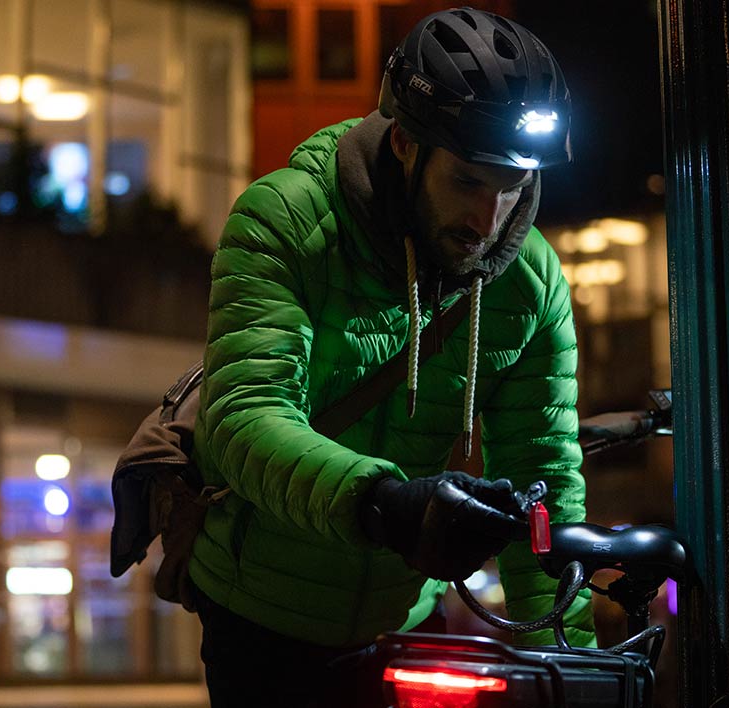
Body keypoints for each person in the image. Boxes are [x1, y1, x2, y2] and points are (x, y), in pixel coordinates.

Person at [187, 7, 593, 706]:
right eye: (468, 181)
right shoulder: (286, 220)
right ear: (405, 144)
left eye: (513, 186)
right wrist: (385, 503)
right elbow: (243, 417)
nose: (489, 219)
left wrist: (571, 666)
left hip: (402, 620)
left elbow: (544, 476)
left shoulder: (530, 280)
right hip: (260, 616)